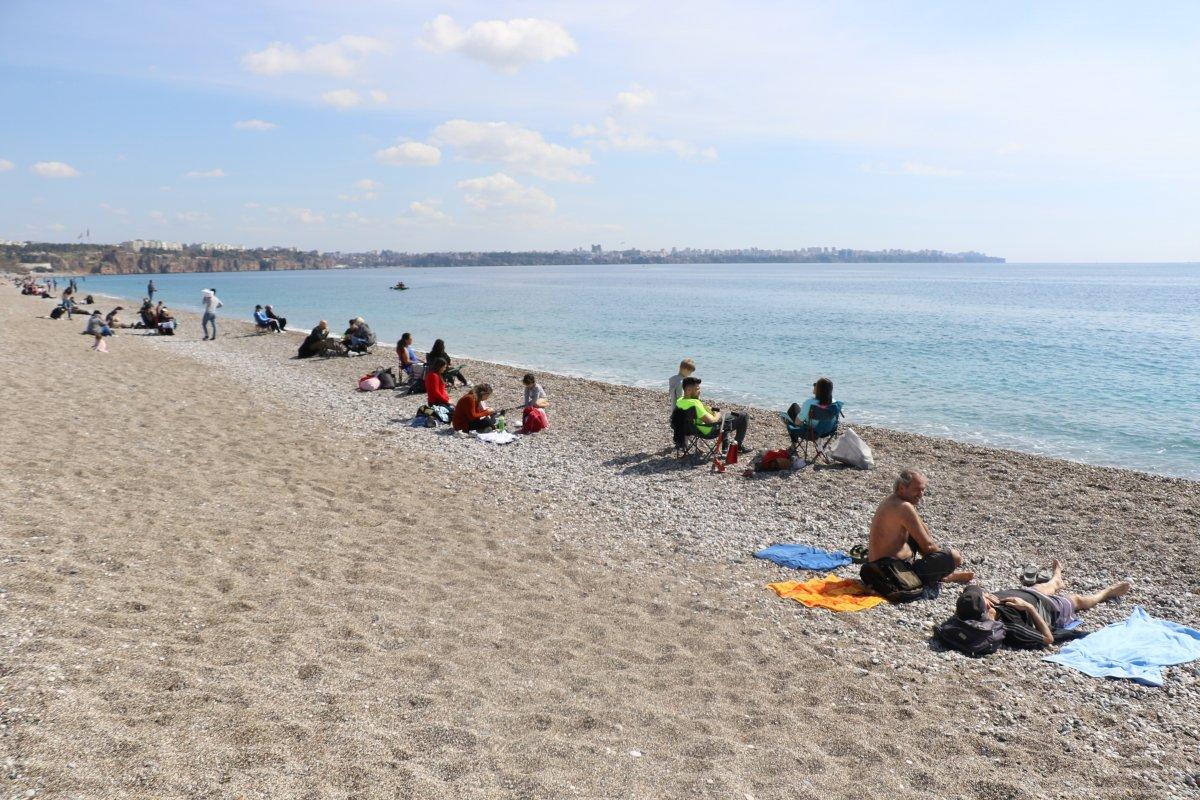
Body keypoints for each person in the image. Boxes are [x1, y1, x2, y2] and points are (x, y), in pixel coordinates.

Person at [954, 560, 1132, 648]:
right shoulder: (1010, 627)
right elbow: (1048, 639)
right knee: (1078, 600)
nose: (986, 594)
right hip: (1049, 608)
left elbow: (972, 595)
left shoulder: (972, 608)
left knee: (1043, 586)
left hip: (1031, 593)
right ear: (988, 608)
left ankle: (1057, 580)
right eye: (984, 597)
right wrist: (1028, 608)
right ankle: (1107, 593)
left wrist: (988, 596)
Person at [863, 469, 974, 589]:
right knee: (954, 557)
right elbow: (929, 546)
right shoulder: (904, 507)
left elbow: (923, 531)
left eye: (923, 490)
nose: (921, 495)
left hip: (875, 569)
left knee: (915, 535)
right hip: (891, 575)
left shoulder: (892, 500)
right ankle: (945, 576)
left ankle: (941, 574)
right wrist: (944, 560)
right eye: (917, 490)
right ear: (901, 488)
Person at [675, 376, 750, 449]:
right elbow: (711, 421)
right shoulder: (695, 404)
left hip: (691, 429)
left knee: (727, 418)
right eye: (697, 389)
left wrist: (699, 401)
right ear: (688, 390)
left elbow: (694, 412)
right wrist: (719, 414)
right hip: (707, 431)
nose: (699, 391)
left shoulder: (680, 401)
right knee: (744, 416)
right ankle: (738, 446)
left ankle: (726, 443)